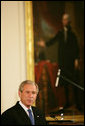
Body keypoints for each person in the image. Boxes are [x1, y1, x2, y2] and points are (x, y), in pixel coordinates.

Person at [38, 14, 80, 109]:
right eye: (63, 20)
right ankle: (67, 103)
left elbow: (76, 48)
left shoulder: (73, 34)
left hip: (71, 62)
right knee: (64, 83)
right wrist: (44, 44)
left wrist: (76, 60)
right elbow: (53, 41)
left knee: (74, 83)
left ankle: (78, 104)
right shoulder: (60, 33)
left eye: (66, 19)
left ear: (69, 21)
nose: (64, 21)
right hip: (63, 63)